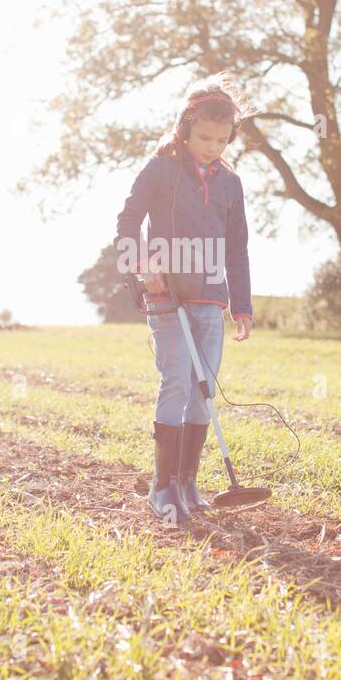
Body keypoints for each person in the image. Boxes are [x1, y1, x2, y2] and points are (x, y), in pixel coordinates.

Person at [112, 75, 255, 525]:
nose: (212, 147)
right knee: (176, 378)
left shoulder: (230, 183)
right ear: (184, 128)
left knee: (203, 386)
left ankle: (188, 481)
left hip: (210, 298)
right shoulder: (160, 169)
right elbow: (128, 221)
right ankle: (162, 486)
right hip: (166, 294)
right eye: (204, 138)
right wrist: (139, 269)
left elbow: (237, 247)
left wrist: (242, 305)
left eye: (221, 139)